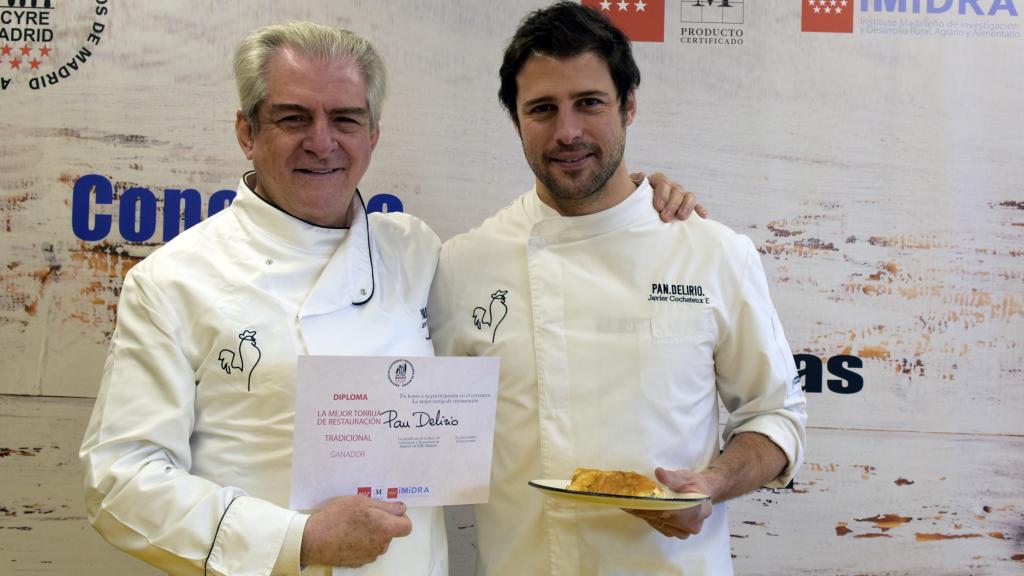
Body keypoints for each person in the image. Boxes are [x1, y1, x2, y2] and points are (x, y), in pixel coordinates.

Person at [79, 20, 701, 576]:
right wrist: (297, 538)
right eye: (293, 117)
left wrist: (633, 201)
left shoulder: (413, 252)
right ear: (247, 131)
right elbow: (120, 482)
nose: (322, 142)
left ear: (374, 134)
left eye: (345, 118)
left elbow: (557, 257)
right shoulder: (173, 282)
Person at [427, 3, 808, 574]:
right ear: (516, 121)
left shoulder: (711, 252)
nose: (568, 132)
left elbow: (775, 413)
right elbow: (420, 429)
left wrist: (713, 483)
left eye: (590, 103)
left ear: (629, 104)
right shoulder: (462, 265)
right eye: (542, 109)